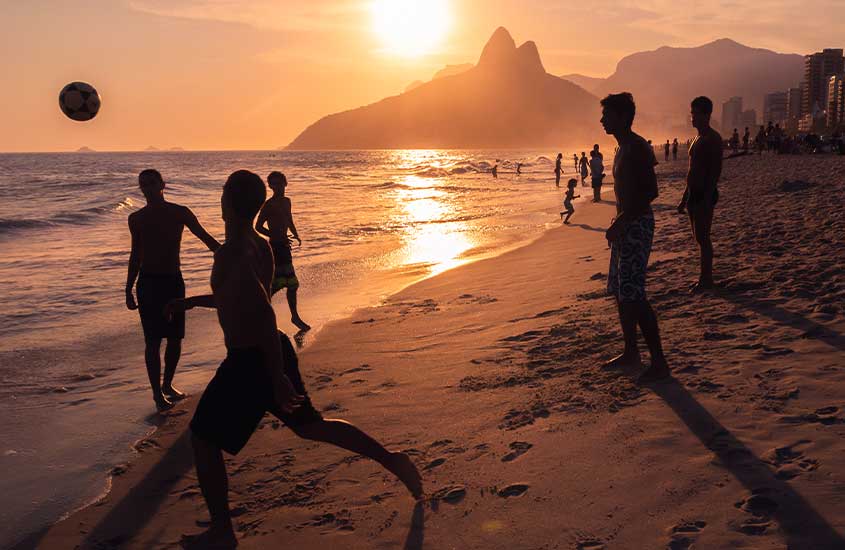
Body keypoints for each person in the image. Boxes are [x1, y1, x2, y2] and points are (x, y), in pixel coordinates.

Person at [171, 170, 423, 548]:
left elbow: (260, 310)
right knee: (310, 425)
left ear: (226, 203)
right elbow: (243, 297)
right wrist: (191, 302)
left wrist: (275, 376)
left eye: (223, 193)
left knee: (203, 440)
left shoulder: (230, 253)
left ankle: (223, 530)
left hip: (251, 360)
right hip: (272, 350)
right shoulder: (261, 246)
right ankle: (392, 460)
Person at [125, 169, 220, 411]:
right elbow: (136, 255)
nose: (147, 187)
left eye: (151, 183)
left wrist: (233, 255)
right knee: (152, 340)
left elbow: (206, 239)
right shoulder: (136, 219)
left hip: (173, 280)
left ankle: (167, 385)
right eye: (143, 184)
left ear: (162, 185)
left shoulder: (180, 212)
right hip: (148, 283)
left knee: (176, 338)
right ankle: (157, 395)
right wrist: (128, 288)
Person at [599, 92, 670, 383]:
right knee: (620, 291)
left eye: (607, 114)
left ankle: (659, 362)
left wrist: (623, 221)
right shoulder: (621, 148)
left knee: (635, 295)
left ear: (623, 117)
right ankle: (631, 351)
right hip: (624, 225)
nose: (602, 119)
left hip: (636, 225)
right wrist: (618, 222)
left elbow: (650, 192)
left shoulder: (638, 147)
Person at [678, 96, 722, 293]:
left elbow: (714, 172)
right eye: (692, 113)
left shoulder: (713, 139)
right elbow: (692, 170)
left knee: (703, 237)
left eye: (696, 113)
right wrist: (685, 197)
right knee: (698, 237)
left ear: (707, 115)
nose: (692, 117)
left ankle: (707, 280)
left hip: (704, 193)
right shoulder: (696, 139)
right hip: (693, 194)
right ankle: (704, 277)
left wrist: (706, 198)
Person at [256, 172, 310, 331]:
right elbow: (257, 226)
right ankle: (263, 317)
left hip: (285, 247)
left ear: (285, 184)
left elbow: (288, 218)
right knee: (281, 284)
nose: (277, 187)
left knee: (289, 284)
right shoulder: (268, 205)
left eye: (279, 183)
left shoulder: (287, 201)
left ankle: (292, 317)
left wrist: (295, 234)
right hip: (276, 248)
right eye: (273, 184)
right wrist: (275, 235)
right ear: (270, 186)